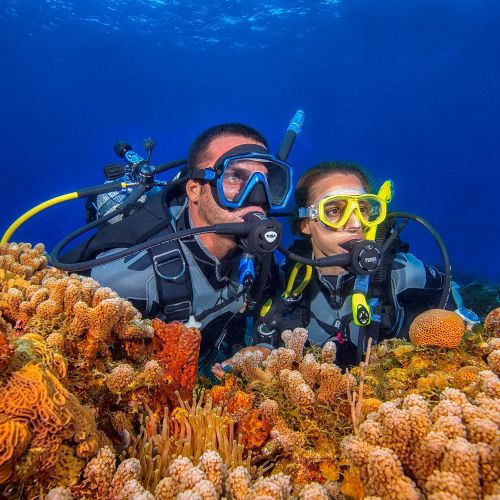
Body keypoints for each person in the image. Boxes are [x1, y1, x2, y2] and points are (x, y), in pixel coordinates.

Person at [60, 123, 290, 366]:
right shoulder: (133, 278)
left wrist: (263, 348)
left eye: (264, 181)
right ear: (194, 189)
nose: (258, 198)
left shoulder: (259, 255)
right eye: (234, 177)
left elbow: (269, 313)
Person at [249, 161, 450, 369]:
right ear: (306, 223)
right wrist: (265, 347)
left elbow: (453, 306)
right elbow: (266, 328)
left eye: (362, 209)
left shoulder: (402, 271)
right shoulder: (289, 277)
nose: (355, 224)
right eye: (334, 211)